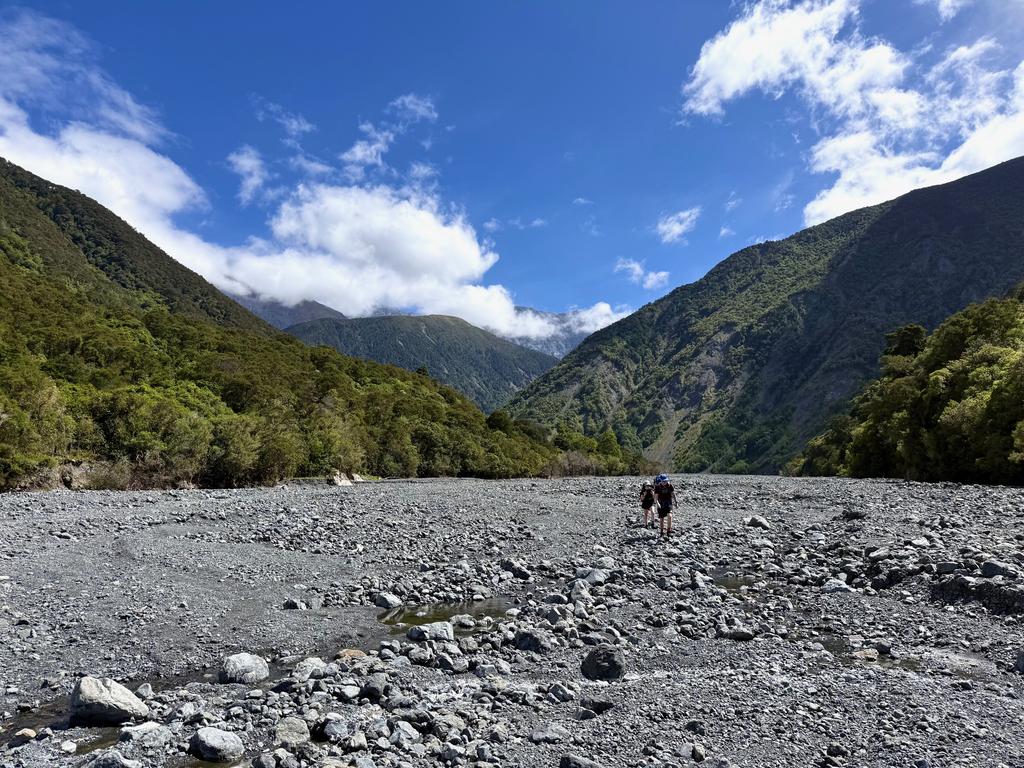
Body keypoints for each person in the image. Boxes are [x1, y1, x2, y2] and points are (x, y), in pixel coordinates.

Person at [654, 473, 677, 539]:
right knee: (662, 518)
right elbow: (655, 497)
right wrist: (657, 503)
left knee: (670, 516)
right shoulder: (657, 487)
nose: (665, 482)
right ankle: (661, 532)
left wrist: (676, 502)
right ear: (660, 481)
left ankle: (668, 531)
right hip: (660, 503)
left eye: (666, 481)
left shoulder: (670, 485)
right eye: (664, 481)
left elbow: (673, 494)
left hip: (668, 502)